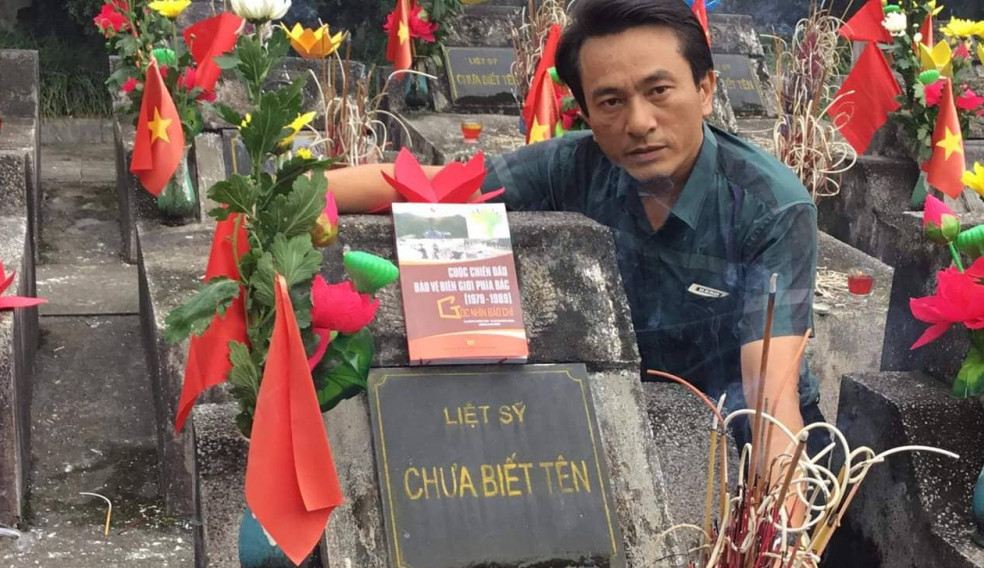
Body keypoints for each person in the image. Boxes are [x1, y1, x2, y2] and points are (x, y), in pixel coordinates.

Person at [327, 0, 826, 463]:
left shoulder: (770, 208)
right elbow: (424, 186)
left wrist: (771, 521)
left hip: (740, 439)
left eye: (658, 91)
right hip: (623, 423)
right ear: (585, 113)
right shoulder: (571, 167)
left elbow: (771, 401)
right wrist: (298, 204)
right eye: (610, 101)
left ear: (706, 90)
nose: (639, 123)